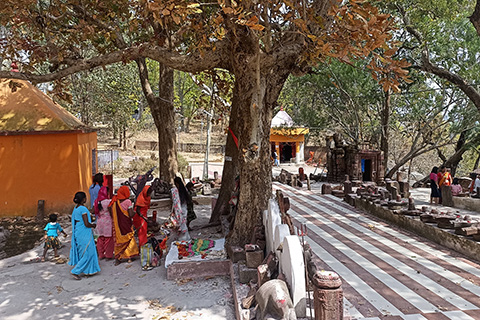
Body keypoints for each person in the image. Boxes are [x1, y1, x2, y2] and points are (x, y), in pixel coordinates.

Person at [68, 192, 100, 280]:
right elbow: (86, 223)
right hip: (84, 232)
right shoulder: (83, 209)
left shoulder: (76, 208)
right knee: (88, 253)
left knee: (84, 252)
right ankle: (76, 271)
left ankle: (88, 271)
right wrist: (93, 225)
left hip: (78, 231)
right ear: (84, 199)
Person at [109, 185, 139, 265]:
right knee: (129, 238)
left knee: (119, 241)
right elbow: (130, 214)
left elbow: (110, 210)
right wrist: (136, 211)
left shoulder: (115, 201)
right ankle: (129, 257)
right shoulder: (128, 202)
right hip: (126, 223)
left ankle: (118, 258)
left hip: (118, 225)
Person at [95, 186, 114, 260]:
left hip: (100, 222)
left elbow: (93, 211)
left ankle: (101, 254)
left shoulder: (96, 202)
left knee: (100, 239)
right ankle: (108, 255)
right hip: (107, 222)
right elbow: (111, 211)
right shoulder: (108, 202)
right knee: (108, 239)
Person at [170, 177, 191, 241]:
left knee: (180, 223)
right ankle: (186, 237)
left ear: (176, 183)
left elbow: (175, 202)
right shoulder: (184, 190)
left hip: (179, 209)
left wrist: (173, 211)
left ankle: (182, 238)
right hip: (184, 208)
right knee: (184, 223)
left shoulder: (175, 191)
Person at [133, 185, 152, 252]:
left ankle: (143, 246)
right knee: (141, 232)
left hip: (144, 216)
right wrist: (144, 218)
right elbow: (138, 210)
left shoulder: (147, 197)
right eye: (148, 193)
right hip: (139, 216)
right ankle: (142, 247)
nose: (149, 194)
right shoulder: (140, 198)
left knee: (144, 232)